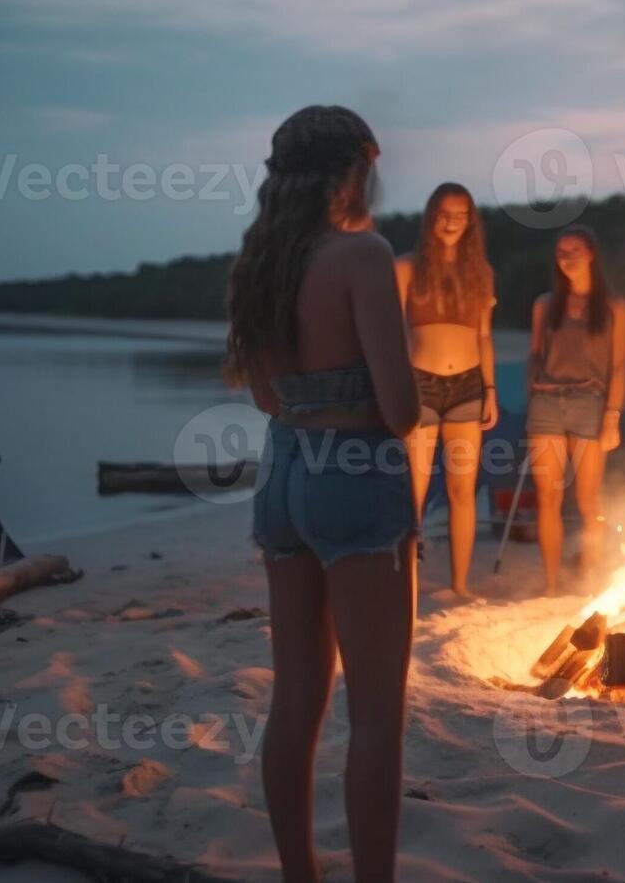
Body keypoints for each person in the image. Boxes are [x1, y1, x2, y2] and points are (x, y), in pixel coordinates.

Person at [225, 105, 420, 883]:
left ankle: (299, 874)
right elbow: (402, 410)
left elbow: (267, 400)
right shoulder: (361, 256)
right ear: (351, 170)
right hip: (357, 477)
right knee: (376, 712)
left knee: (295, 701)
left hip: (283, 474)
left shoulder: (258, 264)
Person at [396, 183, 499, 600]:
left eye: (460, 214)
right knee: (414, 490)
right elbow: (393, 331)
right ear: (430, 216)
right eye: (444, 213)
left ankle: (459, 585)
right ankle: (407, 583)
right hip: (419, 383)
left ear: (471, 221)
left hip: (468, 388)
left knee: (462, 489)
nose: (452, 221)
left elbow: (485, 336)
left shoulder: (481, 272)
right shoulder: (405, 268)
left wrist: (490, 389)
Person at [527, 225, 625, 596]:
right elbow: (535, 356)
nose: (567, 258)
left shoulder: (613, 308)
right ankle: (552, 583)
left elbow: (618, 366)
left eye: (574, 250)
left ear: (591, 254)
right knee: (548, 497)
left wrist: (613, 416)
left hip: (590, 402)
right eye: (561, 252)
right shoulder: (545, 305)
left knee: (588, 499)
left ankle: (590, 578)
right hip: (547, 403)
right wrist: (533, 394)